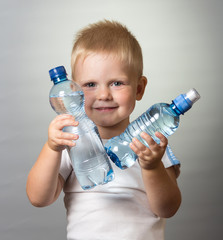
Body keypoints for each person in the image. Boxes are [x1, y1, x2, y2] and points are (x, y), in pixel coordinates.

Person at [26, 20, 181, 240]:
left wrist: (152, 166)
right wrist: (52, 148)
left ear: (139, 88)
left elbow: (168, 208)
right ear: (74, 91)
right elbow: (38, 198)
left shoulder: (152, 144)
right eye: (90, 85)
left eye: (117, 83)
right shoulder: (71, 142)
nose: (104, 95)